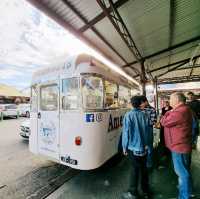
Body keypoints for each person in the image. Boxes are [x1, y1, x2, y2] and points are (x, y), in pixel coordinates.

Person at [160, 92, 193, 199]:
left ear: (177, 100)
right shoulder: (185, 109)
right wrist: (171, 111)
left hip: (179, 147)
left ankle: (184, 196)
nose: (170, 101)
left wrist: (167, 113)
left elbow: (164, 122)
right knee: (185, 171)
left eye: (171, 99)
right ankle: (187, 192)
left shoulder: (179, 112)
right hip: (183, 145)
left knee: (182, 173)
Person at [122, 96, 151, 199]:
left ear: (132, 104)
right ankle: (145, 190)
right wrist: (147, 145)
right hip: (144, 147)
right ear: (139, 104)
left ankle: (133, 193)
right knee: (144, 169)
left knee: (134, 170)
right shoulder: (145, 115)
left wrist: (124, 147)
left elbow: (126, 133)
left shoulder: (128, 115)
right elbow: (148, 131)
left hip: (133, 148)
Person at [140, 96, 157, 169]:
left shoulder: (152, 109)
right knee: (141, 147)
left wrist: (143, 122)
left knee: (149, 148)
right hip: (140, 131)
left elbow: (153, 121)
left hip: (148, 130)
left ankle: (149, 164)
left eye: (142, 102)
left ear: (146, 101)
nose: (141, 104)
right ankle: (142, 164)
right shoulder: (139, 110)